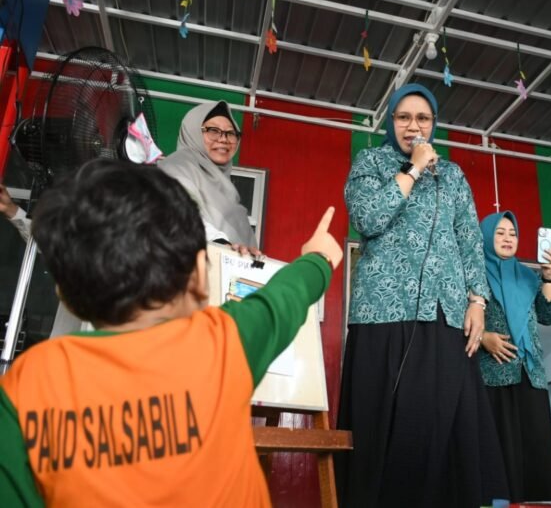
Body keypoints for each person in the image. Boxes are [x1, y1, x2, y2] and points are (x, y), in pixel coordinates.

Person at [0, 159, 342, 507]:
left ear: (65, 294)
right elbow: (285, 297)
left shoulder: (25, 386)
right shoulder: (223, 343)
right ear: (198, 274)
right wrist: (318, 259)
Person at [336, 83, 507, 507]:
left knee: (447, 427)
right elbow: (367, 218)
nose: (414, 126)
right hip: (383, 315)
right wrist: (410, 170)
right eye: (404, 117)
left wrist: (477, 302)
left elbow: (469, 240)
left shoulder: (452, 175)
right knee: (388, 428)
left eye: (423, 118)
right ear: (390, 121)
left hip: (445, 314)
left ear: (434, 124)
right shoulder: (370, 162)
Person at [478, 211, 551, 502]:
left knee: (536, 447)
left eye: (512, 233)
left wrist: (549, 277)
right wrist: (482, 338)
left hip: (531, 373)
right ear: (487, 237)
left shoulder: (527, 277)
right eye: (499, 233)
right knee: (500, 450)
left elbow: (548, 315)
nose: (507, 239)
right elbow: (456, 318)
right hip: (493, 373)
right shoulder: (474, 273)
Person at [159, 100, 260, 253]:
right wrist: (221, 245)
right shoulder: (178, 167)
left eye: (231, 133)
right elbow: (180, 214)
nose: (223, 139)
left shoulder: (230, 196)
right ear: (193, 131)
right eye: (213, 130)